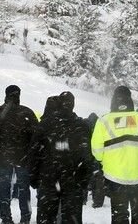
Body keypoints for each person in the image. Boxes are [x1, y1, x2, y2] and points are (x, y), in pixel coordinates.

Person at [90, 85, 138, 224]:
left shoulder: (103, 121)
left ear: (114, 100)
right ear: (130, 99)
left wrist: (105, 161)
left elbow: (96, 151)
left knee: (119, 214)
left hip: (115, 176)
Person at [30, 92, 95, 224]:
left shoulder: (45, 124)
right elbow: (88, 156)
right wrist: (84, 180)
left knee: (45, 217)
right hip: (73, 178)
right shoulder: (82, 126)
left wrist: (33, 176)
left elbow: (34, 151)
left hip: (48, 177)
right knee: (72, 217)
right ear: (73, 105)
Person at [0, 84, 38, 224]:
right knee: (23, 189)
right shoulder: (27, 113)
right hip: (22, 157)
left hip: (2, 157)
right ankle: (25, 217)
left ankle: (5, 217)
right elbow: (35, 137)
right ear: (19, 95)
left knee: (3, 187)